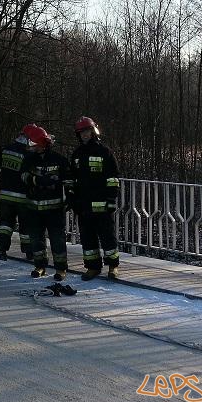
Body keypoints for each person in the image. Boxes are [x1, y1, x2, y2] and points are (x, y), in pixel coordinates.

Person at [68, 116, 121, 280]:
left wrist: (111, 200)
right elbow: (72, 180)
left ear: (93, 131)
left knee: (108, 237)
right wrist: (72, 200)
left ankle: (113, 266)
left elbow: (113, 178)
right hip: (83, 206)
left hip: (102, 205)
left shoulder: (104, 152)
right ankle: (93, 267)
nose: (85, 135)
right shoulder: (77, 155)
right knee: (87, 239)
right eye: (81, 132)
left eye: (87, 131)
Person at [21, 125, 70, 280]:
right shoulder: (28, 159)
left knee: (57, 239)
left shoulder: (59, 160)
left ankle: (61, 269)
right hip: (33, 208)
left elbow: (68, 180)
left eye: (36, 144)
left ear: (44, 143)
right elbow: (22, 176)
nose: (33, 147)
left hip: (54, 208)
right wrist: (37, 180)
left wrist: (70, 196)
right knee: (36, 239)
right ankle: (40, 265)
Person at [0, 125, 35, 261]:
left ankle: (1, 250)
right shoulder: (29, 154)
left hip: (5, 195)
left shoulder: (5, 150)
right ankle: (29, 252)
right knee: (26, 226)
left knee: (5, 224)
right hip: (23, 198)